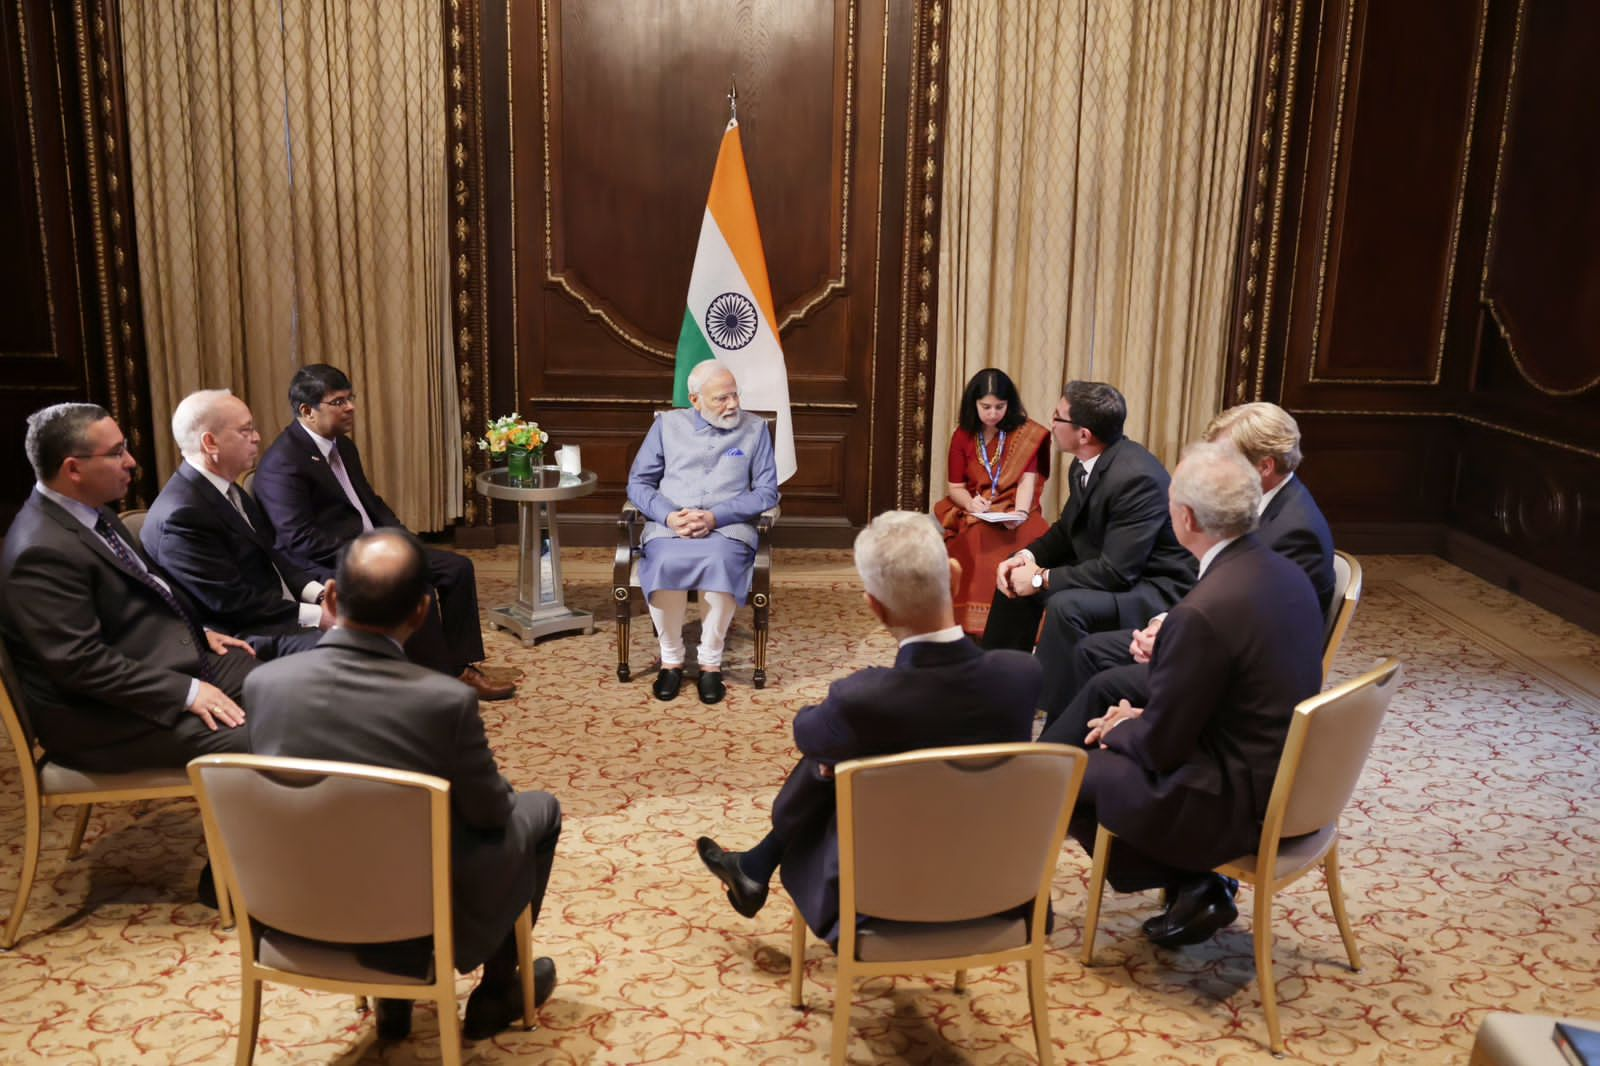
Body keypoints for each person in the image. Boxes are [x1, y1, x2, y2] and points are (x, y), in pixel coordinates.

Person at [243, 529, 562, 1042]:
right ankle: (498, 990)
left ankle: (394, 1000)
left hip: (291, 907)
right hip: (410, 918)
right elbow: (491, 814)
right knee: (537, 810)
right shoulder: (441, 701)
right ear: (421, 611)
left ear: (330, 598)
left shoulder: (263, 685)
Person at [694, 511, 1040, 945]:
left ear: (874, 607)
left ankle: (755, 867)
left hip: (880, 902)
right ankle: (753, 867)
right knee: (845, 757)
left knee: (830, 764)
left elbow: (805, 737)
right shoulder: (1022, 674)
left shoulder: (862, 698)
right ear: (954, 580)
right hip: (996, 892)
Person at [1064, 442, 1324, 949]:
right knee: (1114, 718)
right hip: (1284, 771)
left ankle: (1197, 878)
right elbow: (1229, 695)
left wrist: (1123, 728)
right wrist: (1145, 714)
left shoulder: (1203, 610)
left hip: (1236, 797)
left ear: (1184, 518)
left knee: (1079, 771)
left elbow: (1163, 748)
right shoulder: (1285, 572)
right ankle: (1194, 882)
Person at [1041, 401, 1336, 738]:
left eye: (1226, 457)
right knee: (1090, 652)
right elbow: (1218, 590)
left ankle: (1061, 765)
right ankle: (1061, 756)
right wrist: (1161, 625)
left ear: (1265, 466)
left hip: (1233, 679)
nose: (1214, 467)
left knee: (1104, 680)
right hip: (1205, 637)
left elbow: (1258, 635)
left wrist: (1168, 641)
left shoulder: (1295, 533)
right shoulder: (1257, 505)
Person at [0, 403, 255, 772]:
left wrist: (197, 631)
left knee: (282, 686)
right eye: (117, 452)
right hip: (100, 719)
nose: (132, 461)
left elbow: (146, 590)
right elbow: (81, 664)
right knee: (266, 734)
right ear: (73, 468)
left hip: (154, 663)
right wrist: (186, 692)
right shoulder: (39, 551)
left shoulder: (94, 511)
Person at [252, 364, 514, 700]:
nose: (351, 408)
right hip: (330, 561)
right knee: (413, 584)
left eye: (350, 398)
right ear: (307, 411)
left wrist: (404, 541)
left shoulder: (342, 446)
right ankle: (440, 679)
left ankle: (460, 665)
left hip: (373, 546)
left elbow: (372, 504)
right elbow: (299, 540)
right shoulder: (283, 463)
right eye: (338, 402)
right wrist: (372, 553)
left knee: (458, 569)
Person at [983, 381, 1195, 716]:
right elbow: (1068, 532)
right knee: (1014, 575)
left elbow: (1118, 572)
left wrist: (1041, 579)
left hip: (1151, 586)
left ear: (1083, 434)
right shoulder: (1083, 463)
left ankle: (1058, 714)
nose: (1050, 424)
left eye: (1058, 417)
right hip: (1113, 569)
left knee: (1067, 605)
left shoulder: (1135, 478)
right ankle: (998, 690)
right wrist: (1026, 559)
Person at [626, 360, 780, 705]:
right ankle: (672, 659)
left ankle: (711, 663)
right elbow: (638, 483)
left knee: (719, 561)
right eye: (721, 399)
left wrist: (715, 516)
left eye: (735, 395)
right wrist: (668, 517)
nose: (733, 404)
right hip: (672, 526)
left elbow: (767, 492)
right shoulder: (667, 426)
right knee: (664, 560)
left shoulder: (754, 430)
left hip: (728, 528)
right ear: (694, 400)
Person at [141, 390, 330, 660]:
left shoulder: (227, 488)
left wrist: (320, 595)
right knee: (352, 647)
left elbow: (273, 555)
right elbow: (232, 603)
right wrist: (318, 616)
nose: (257, 438)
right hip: (241, 634)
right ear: (210, 443)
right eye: (246, 430)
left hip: (276, 612)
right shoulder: (182, 515)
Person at [933, 368, 1052, 636]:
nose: (992, 413)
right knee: (974, 539)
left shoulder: (1025, 434)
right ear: (973, 404)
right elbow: (955, 487)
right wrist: (971, 504)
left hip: (1016, 507)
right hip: (976, 508)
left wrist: (1020, 514)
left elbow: (1027, 482)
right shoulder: (963, 435)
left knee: (1035, 537)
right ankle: (974, 625)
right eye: (985, 407)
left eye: (1000, 406)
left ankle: (1032, 627)